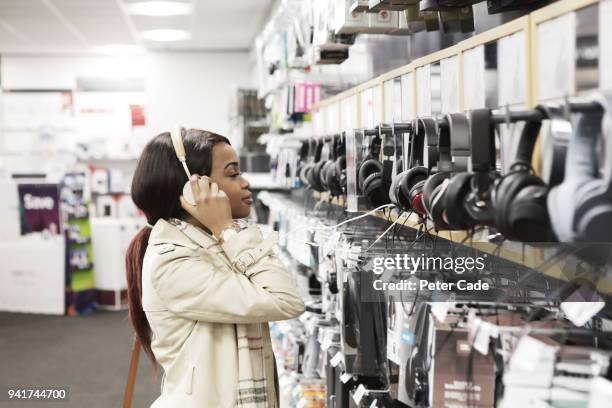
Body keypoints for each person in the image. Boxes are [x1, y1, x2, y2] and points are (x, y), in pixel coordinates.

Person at [125, 128, 305, 408]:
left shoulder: (213, 245)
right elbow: (284, 299)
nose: (245, 183)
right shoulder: (174, 262)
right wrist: (226, 228)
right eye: (232, 174)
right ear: (193, 189)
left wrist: (226, 232)